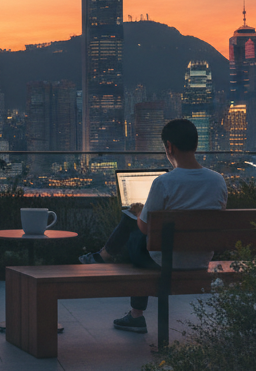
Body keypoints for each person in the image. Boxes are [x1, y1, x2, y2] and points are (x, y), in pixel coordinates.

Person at [79, 118, 227, 334]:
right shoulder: (218, 180)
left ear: (169, 147)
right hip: (201, 258)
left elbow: (145, 229)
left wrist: (139, 213)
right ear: (196, 145)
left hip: (164, 262)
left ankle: (133, 311)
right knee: (142, 231)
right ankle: (103, 258)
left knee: (132, 223)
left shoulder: (163, 182)